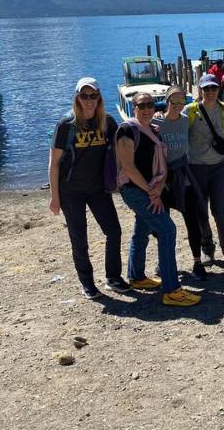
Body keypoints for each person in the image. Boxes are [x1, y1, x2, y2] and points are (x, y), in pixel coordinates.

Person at [116, 91, 201, 306]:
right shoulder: (126, 130)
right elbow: (128, 167)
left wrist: (158, 188)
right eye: (141, 105)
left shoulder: (153, 129)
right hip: (135, 190)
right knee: (167, 230)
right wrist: (150, 192)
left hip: (151, 189)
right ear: (134, 108)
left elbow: (161, 165)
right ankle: (171, 290)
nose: (146, 109)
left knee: (142, 229)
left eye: (150, 105)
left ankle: (136, 276)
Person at [48, 77, 129, 300]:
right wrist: (55, 198)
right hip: (70, 190)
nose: (89, 100)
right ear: (77, 98)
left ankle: (113, 277)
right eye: (84, 96)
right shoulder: (66, 125)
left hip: (98, 188)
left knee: (114, 231)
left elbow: (125, 144)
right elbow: (54, 163)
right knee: (79, 239)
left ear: (99, 97)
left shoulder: (107, 122)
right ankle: (87, 283)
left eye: (93, 96)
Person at [184, 74, 224, 270]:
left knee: (220, 211)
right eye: (206, 89)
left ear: (218, 89)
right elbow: (177, 129)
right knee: (201, 210)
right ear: (200, 90)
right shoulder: (190, 111)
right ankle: (207, 248)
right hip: (196, 167)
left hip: (217, 166)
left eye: (213, 88)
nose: (210, 92)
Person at [153, 86, 208, 281]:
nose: (177, 106)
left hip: (184, 177)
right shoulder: (156, 121)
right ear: (166, 102)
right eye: (173, 102)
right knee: (163, 225)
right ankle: (164, 262)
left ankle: (197, 262)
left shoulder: (186, 120)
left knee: (192, 221)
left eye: (181, 102)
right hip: (163, 180)